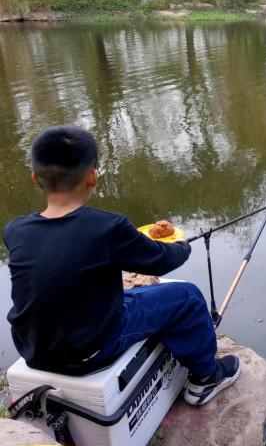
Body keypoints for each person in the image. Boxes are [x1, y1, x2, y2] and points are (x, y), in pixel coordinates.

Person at [3, 124, 240, 406]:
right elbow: (162, 260)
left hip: (33, 349)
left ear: (34, 178)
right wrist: (182, 245)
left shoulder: (15, 230)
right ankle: (206, 379)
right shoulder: (108, 227)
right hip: (91, 350)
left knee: (118, 295)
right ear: (92, 177)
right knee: (186, 297)